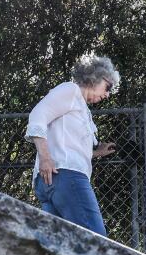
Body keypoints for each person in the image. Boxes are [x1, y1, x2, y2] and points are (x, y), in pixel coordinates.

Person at [25, 55, 120, 236]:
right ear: (95, 77)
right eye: (108, 87)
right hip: (67, 177)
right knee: (96, 240)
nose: (108, 94)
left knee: (57, 248)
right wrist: (45, 158)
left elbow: (67, 147)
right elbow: (37, 116)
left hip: (51, 181)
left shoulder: (82, 108)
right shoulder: (71, 91)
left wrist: (97, 153)